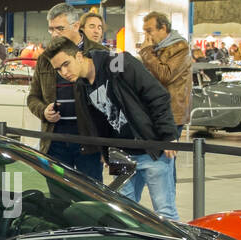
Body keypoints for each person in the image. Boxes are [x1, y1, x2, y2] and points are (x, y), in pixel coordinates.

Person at [44, 36, 180, 220]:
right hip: (120, 155)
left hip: (152, 149)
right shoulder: (82, 84)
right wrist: (105, 151)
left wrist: (168, 135)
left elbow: (157, 95)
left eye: (66, 64)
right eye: (58, 69)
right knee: (122, 214)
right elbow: (99, 121)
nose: (64, 72)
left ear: (78, 55)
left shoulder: (118, 62)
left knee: (165, 214)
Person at [27, 49, 104, 183]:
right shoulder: (44, 61)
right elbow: (32, 98)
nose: (64, 72)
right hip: (54, 141)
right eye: (52, 29)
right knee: (58, 192)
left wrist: (106, 145)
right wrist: (44, 111)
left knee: (91, 192)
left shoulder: (89, 55)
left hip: (88, 141)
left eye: (60, 28)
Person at [137, 11, 193, 139]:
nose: (147, 36)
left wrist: (146, 52)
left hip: (171, 112)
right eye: (144, 32)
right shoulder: (155, 49)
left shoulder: (180, 47)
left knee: (167, 154)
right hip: (154, 109)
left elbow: (165, 75)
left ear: (163, 28)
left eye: (149, 31)